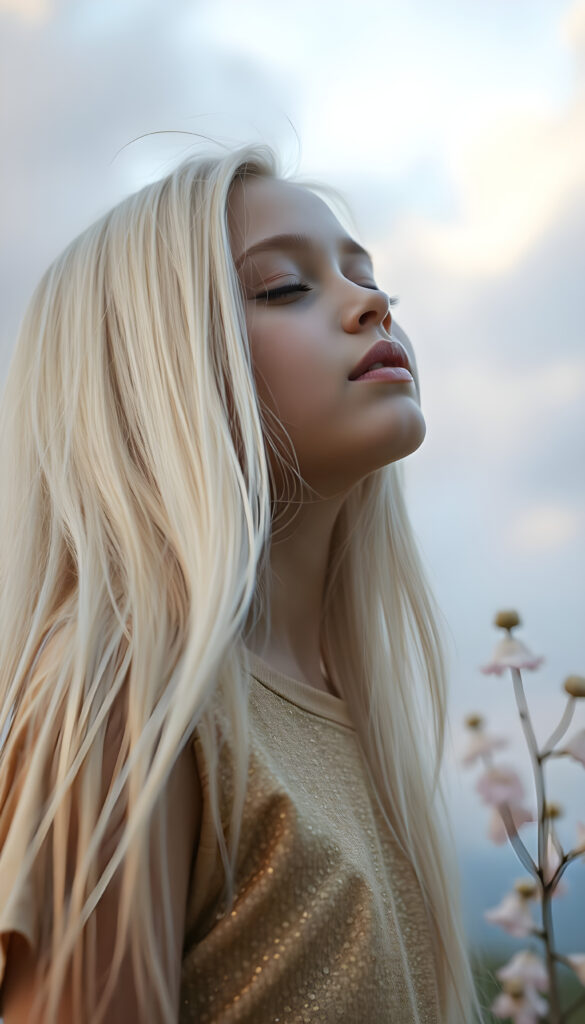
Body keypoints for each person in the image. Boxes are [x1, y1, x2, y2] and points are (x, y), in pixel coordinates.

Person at [0, 141, 483, 1022]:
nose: (371, 304)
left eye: (371, 282)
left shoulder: (366, 730)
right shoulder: (127, 689)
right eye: (282, 288)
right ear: (150, 374)